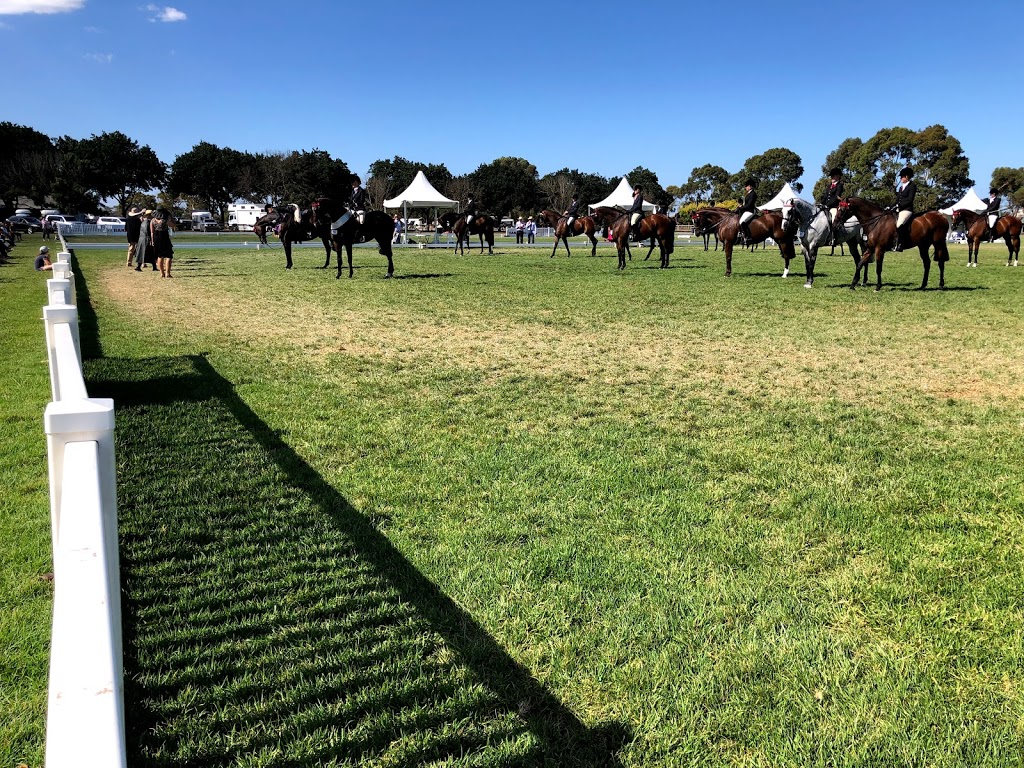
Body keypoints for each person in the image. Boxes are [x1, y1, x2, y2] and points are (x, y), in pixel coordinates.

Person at [893, 166, 916, 252]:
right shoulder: (901, 187)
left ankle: (901, 244)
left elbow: (910, 200)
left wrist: (899, 205)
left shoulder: (912, 186)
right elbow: (897, 199)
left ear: (907, 177)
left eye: (902, 177)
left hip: (906, 210)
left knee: (899, 224)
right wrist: (890, 206)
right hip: (899, 209)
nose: (900, 178)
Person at [151, 207, 175, 277]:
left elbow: (152, 232)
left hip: (156, 237)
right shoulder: (165, 219)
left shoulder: (153, 220)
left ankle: (162, 273)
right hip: (164, 236)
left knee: (159, 255)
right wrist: (171, 219)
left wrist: (152, 241)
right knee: (168, 255)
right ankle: (168, 273)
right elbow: (172, 225)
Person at [737, 178, 758, 245]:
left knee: (742, 222)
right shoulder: (748, 193)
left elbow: (749, 205)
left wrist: (741, 207)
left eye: (747, 186)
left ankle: (748, 237)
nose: (745, 187)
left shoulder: (753, 194)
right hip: (747, 210)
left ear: (750, 186)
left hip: (750, 211)